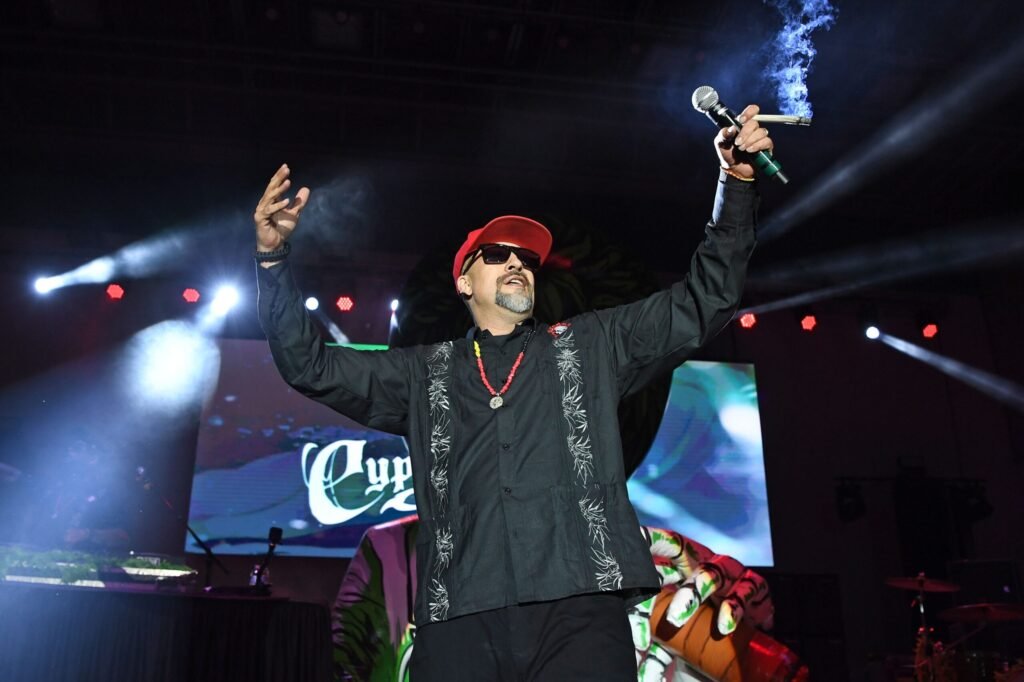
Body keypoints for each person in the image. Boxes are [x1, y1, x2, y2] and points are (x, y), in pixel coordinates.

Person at [253, 105, 773, 680]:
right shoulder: (423, 373)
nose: (517, 264)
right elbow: (309, 365)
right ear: (463, 281)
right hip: (461, 615)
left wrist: (735, 185)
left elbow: (704, 301)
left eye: (526, 259)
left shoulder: (592, 345)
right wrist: (273, 261)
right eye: (497, 255)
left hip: (579, 610)